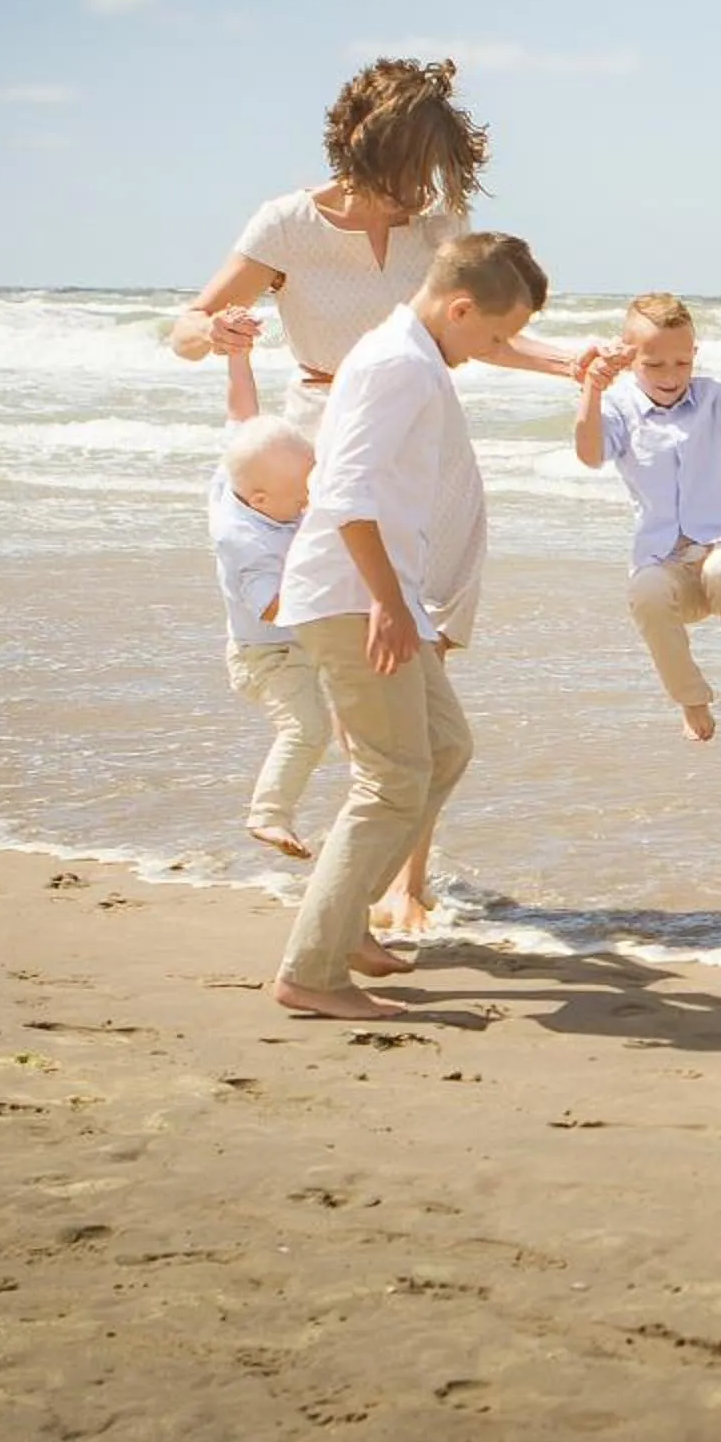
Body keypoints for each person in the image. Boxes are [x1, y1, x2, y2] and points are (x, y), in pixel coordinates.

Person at [169, 58, 584, 933]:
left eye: (434, 172)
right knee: (372, 675)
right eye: (409, 169)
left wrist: (567, 362)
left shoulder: (437, 228)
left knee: (426, 682)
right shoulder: (286, 223)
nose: (421, 191)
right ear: (366, 149)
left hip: (424, 451)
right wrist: (218, 330)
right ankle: (352, 896)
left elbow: (480, 335)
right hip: (324, 442)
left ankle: (404, 882)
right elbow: (186, 327)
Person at [268, 231, 547, 1020]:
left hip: (382, 595)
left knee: (445, 748)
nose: (492, 350)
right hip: (354, 599)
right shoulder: (399, 364)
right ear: (459, 307)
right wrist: (390, 604)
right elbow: (342, 490)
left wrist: (404, 601)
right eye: (492, 335)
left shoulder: (409, 352)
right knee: (390, 779)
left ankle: (345, 923)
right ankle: (310, 972)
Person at [574, 292, 721, 742]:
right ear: (630, 358)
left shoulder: (713, 397)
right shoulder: (619, 408)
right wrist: (591, 388)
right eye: (654, 365)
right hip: (665, 560)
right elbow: (590, 453)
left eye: (681, 363)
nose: (671, 376)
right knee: (645, 592)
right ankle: (691, 698)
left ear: (695, 356)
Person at [210, 405, 328, 861]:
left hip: (295, 647)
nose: (307, 504)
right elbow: (274, 607)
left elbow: (241, 418)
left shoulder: (233, 483)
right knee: (306, 728)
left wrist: (239, 357)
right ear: (259, 500)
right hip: (270, 657)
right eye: (301, 498)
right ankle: (268, 814)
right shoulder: (245, 542)